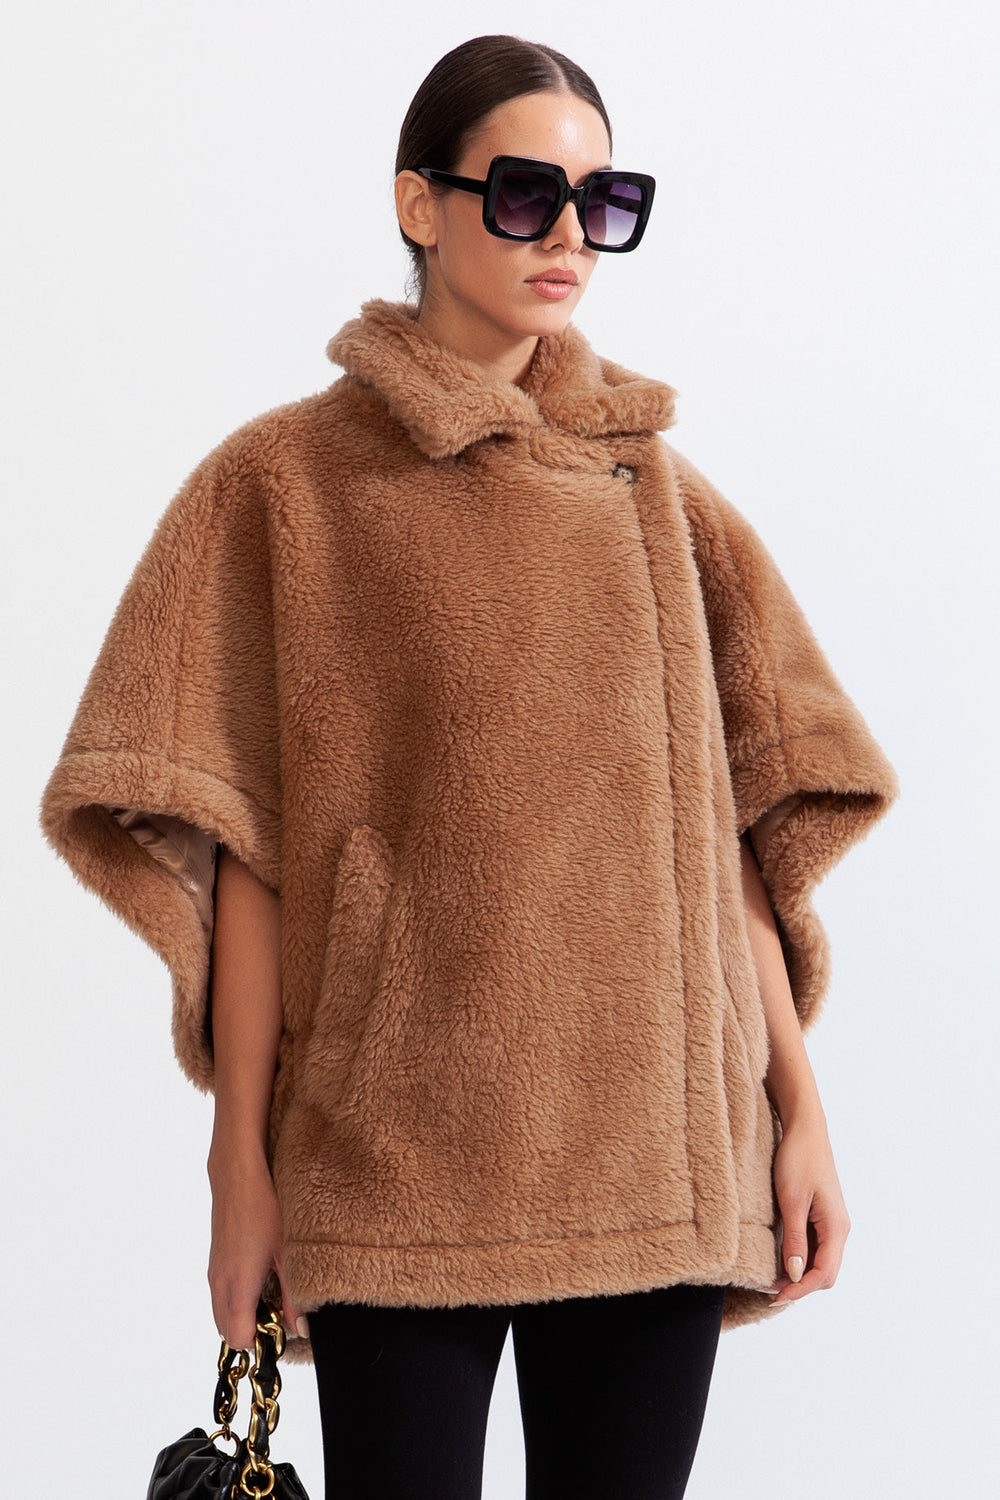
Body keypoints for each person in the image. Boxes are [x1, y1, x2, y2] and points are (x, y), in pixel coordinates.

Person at [38, 33, 900, 1500]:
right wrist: (238, 1168)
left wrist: (801, 1111)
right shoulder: (284, 485)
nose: (569, 235)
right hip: (392, 1160)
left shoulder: (658, 490)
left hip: (656, 1153)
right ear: (418, 203)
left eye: (603, 201)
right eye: (522, 194)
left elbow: (726, 847)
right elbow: (248, 856)